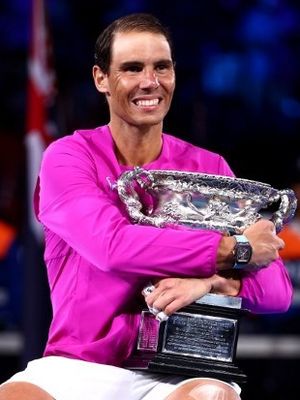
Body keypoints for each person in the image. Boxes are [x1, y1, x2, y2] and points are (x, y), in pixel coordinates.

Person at [0, 13, 292, 400]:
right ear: (100, 78)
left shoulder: (210, 167)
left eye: (161, 67)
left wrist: (207, 281)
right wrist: (230, 251)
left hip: (180, 371)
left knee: (210, 397)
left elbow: (276, 292)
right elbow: (112, 247)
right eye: (132, 68)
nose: (149, 81)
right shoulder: (69, 158)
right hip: (78, 365)